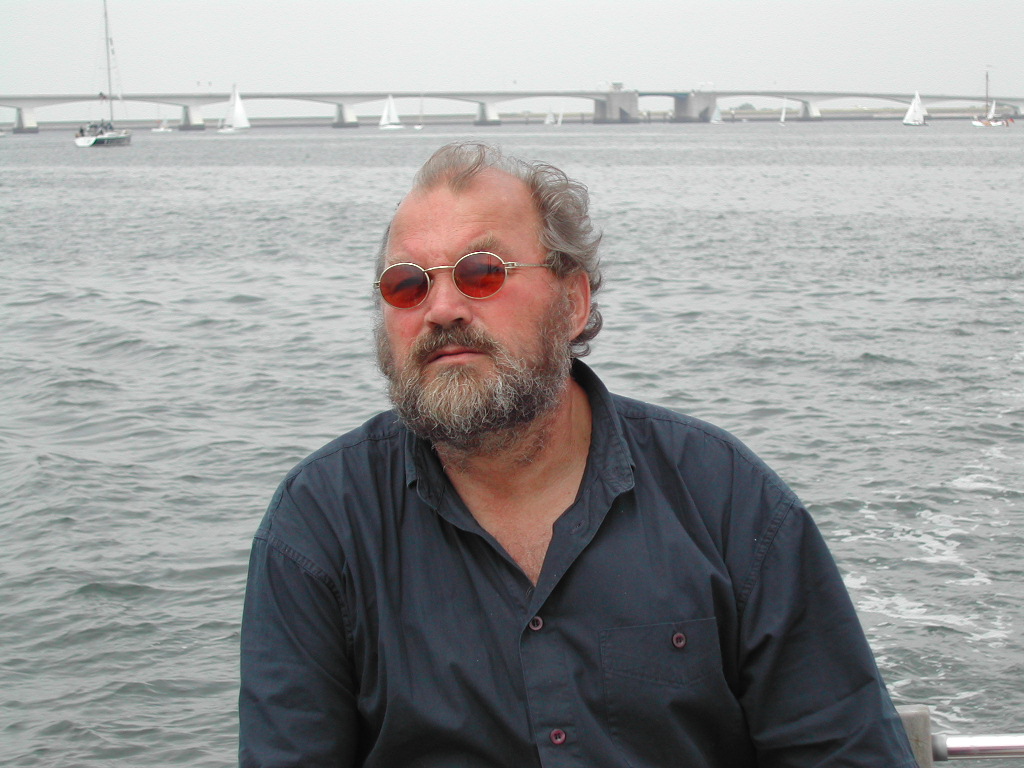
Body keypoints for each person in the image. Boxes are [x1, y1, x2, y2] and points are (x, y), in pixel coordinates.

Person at [239, 141, 918, 767]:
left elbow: (842, 751)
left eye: (482, 272)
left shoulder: (728, 502)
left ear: (571, 301)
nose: (442, 307)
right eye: (407, 285)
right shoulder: (320, 527)